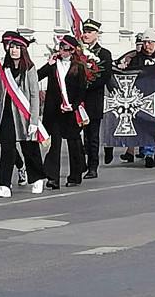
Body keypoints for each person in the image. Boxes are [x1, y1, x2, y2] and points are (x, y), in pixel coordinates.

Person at [0, 31, 47, 197]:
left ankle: (37, 178)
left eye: (17, 47)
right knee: (7, 149)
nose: (13, 50)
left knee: (29, 148)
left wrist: (34, 120)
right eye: (11, 47)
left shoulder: (29, 68)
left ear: (23, 50)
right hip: (7, 114)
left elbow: (34, 95)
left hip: (24, 114)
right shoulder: (3, 67)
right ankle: (4, 185)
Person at [39, 34, 88, 188]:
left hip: (71, 111)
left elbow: (82, 90)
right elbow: (37, 76)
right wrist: (49, 64)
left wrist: (73, 106)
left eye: (66, 49)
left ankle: (75, 175)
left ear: (72, 51)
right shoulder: (54, 65)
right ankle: (52, 178)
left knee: (73, 144)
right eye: (61, 48)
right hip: (55, 112)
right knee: (56, 144)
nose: (63, 51)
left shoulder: (78, 67)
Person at [122, 28, 155, 167]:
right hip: (144, 96)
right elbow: (129, 74)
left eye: (150, 42)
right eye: (144, 42)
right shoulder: (137, 58)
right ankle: (149, 152)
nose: (147, 45)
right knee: (147, 123)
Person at [79, 19, 113, 177]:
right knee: (75, 134)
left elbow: (105, 77)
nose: (85, 35)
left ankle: (92, 166)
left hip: (93, 98)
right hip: (77, 99)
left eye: (89, 32)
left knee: (92, 135)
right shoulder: (78, 52)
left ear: (96, 35)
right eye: (84, 31)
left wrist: (86, 85)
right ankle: (79, 163)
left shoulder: (104, 54)